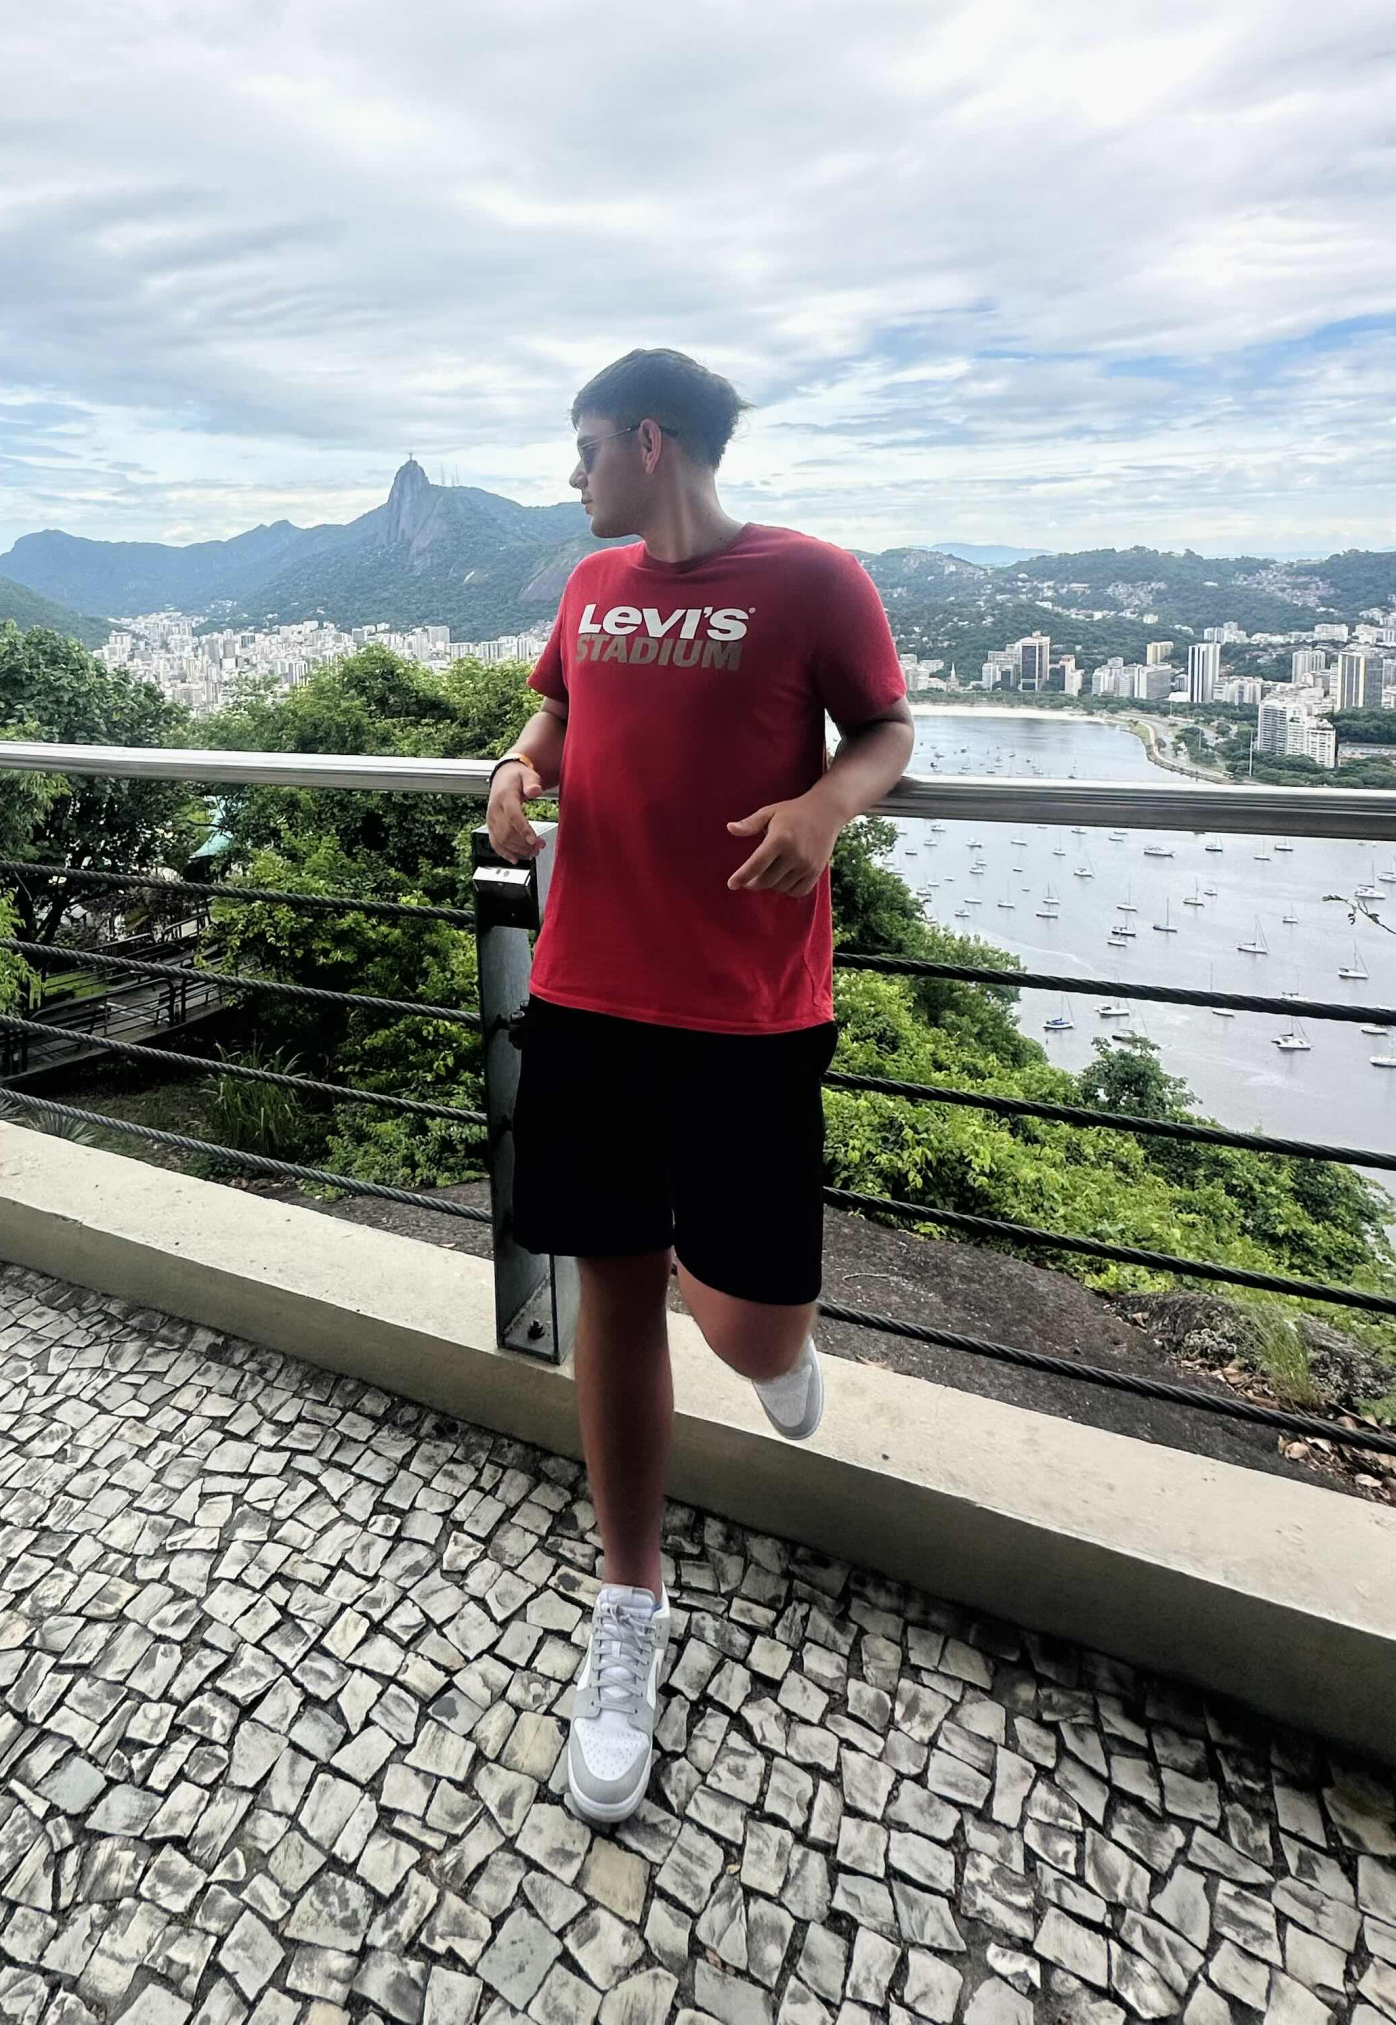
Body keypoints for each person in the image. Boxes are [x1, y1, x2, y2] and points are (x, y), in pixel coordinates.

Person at [485, 347, 913, 1825]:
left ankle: (755, 1326)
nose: (574, 474)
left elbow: (886, 731)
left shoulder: (812, 580)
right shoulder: (590, 587)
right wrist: (519, 765)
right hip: (589, 993)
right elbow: (556, 712)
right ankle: (629, 1608)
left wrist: (828, 803)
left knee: (749, 1331)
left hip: (747, 1015)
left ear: (650, 441)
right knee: (610, 1291)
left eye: (586, 446)